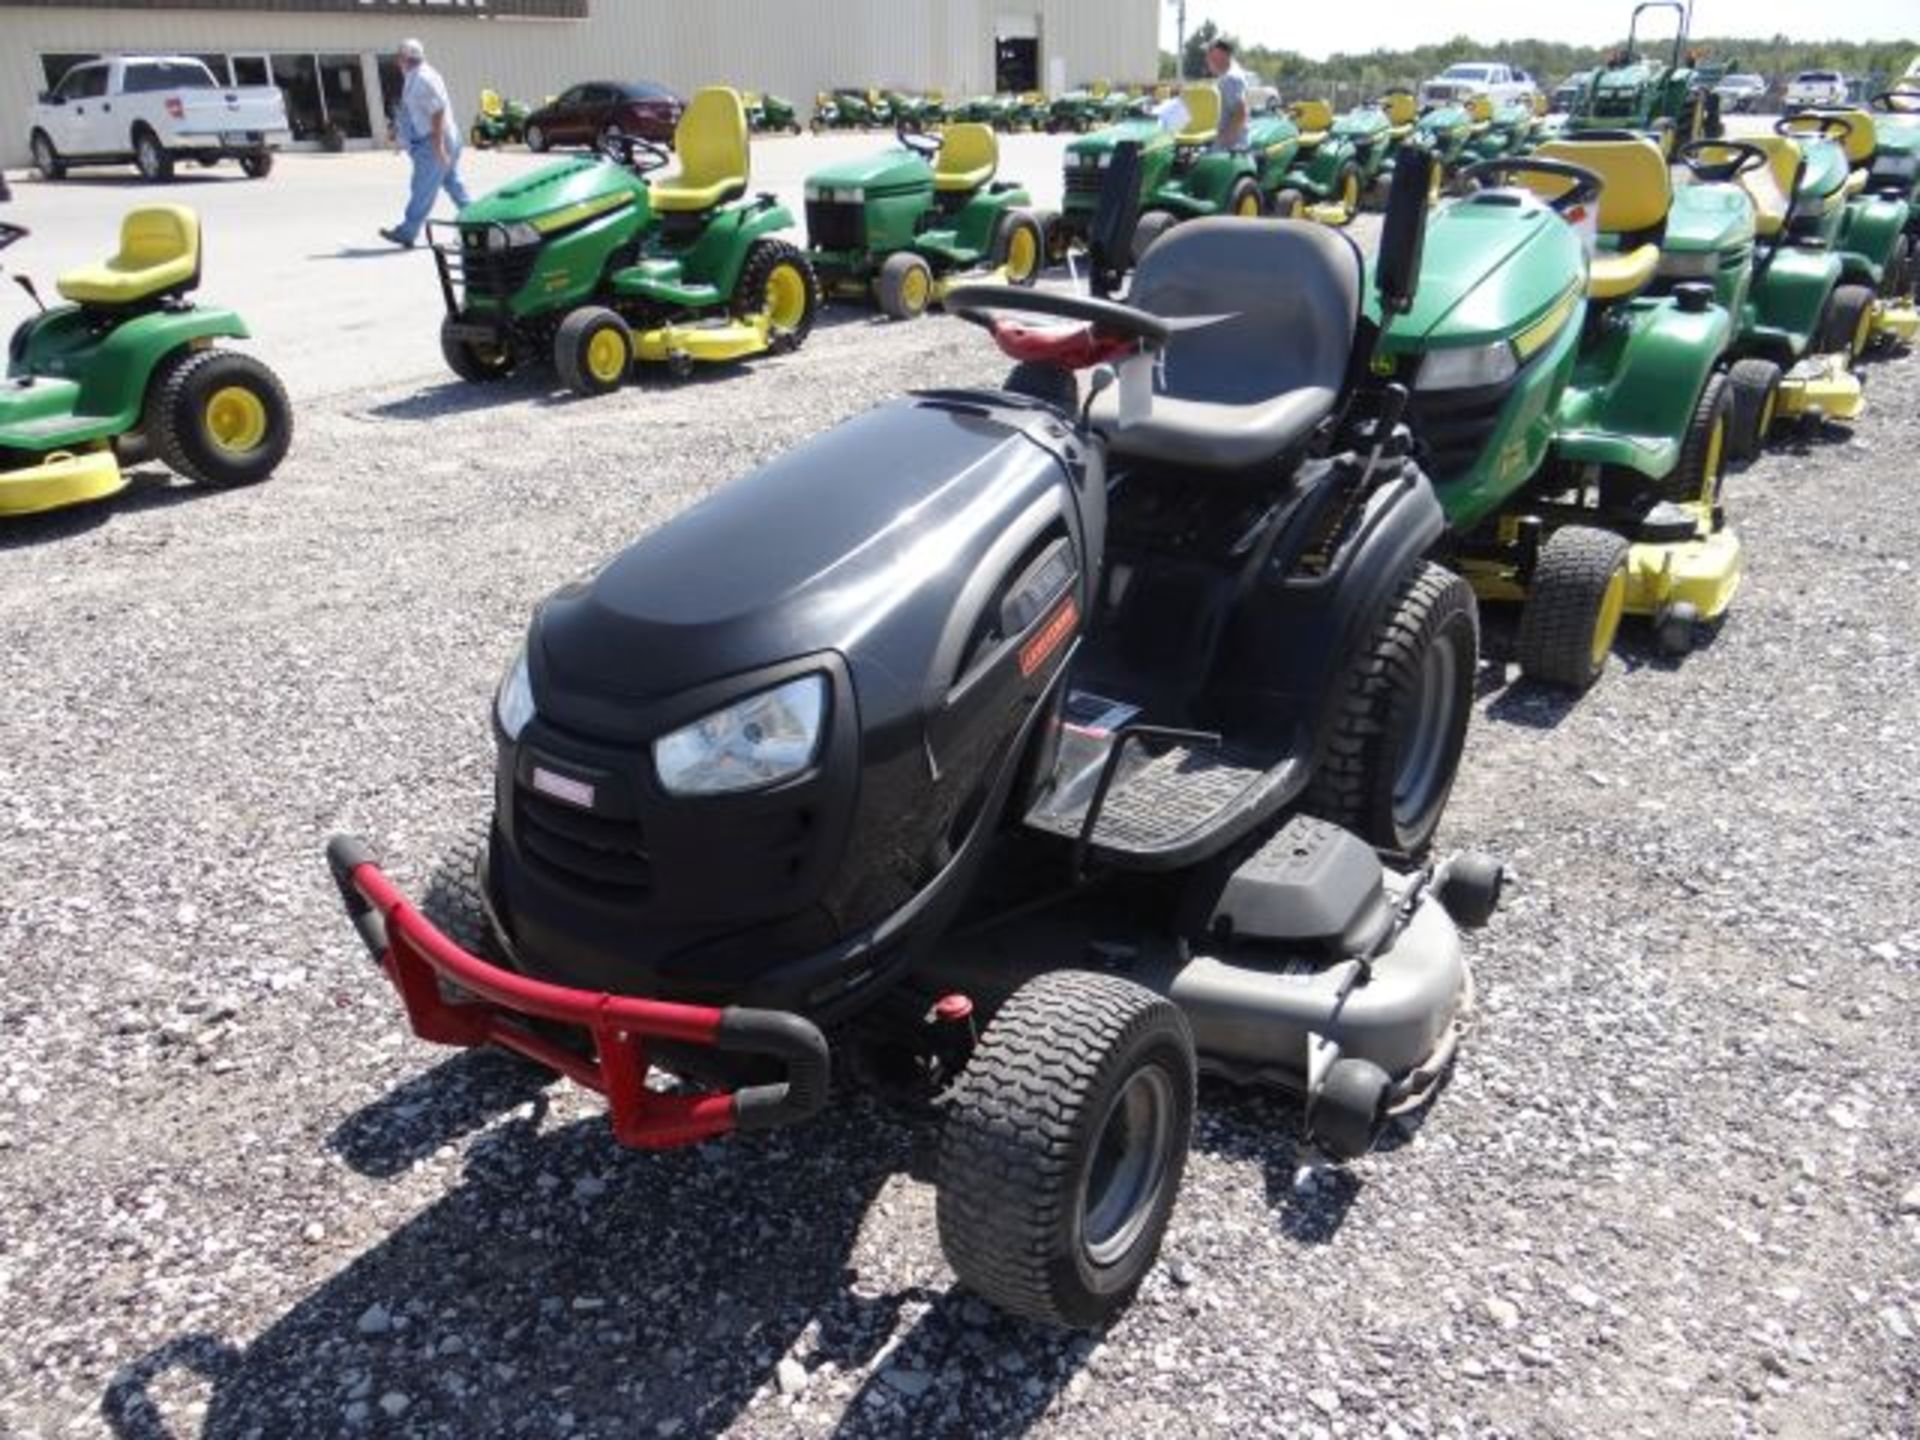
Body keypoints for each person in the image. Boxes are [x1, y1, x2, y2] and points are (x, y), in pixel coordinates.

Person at [379, 38, 470, 249]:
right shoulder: (417, 75)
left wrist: (438, 146)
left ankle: (407, 231)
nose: (397, 61)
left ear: (404, 58)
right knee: (452, 183)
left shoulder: (421, 78)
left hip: (434, 140)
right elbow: (412, 110)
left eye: (399, 56)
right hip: (444, 137)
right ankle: (478, 221)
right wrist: (399, 135)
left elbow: (437, 111)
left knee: (422, 188)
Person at [1205, 39, 1250, 151]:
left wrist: (1224, 141)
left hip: (1229, 148)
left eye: (1211, 54)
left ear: (1223, 55)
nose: (1208, 59)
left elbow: (1240, 112)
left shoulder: (1230, 78)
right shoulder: (1229, 75)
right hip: (1230, 144)